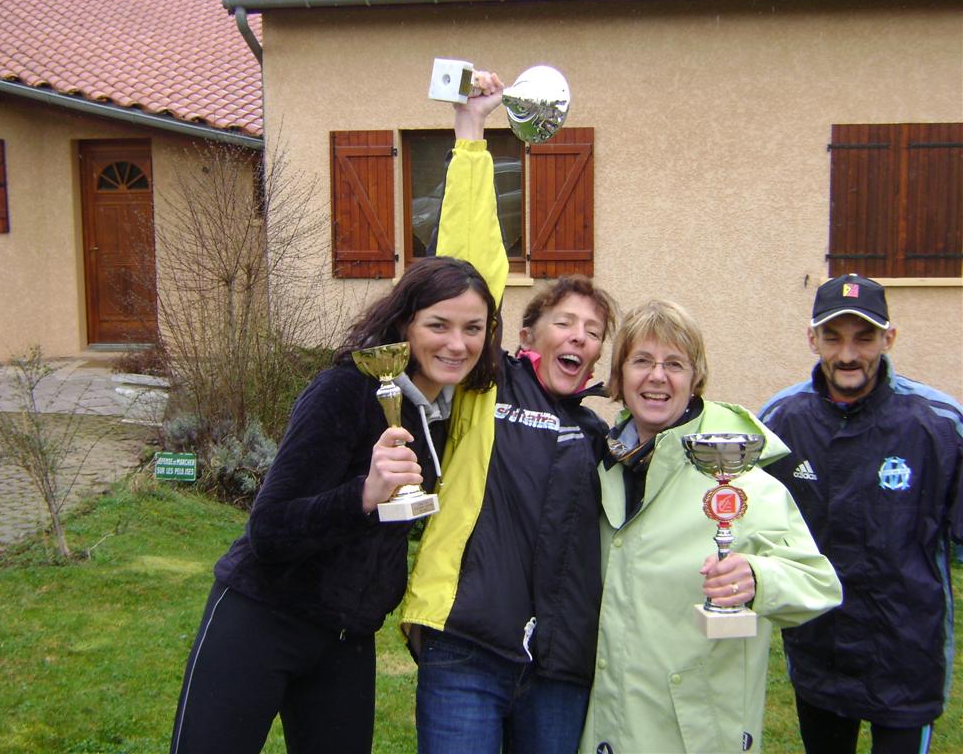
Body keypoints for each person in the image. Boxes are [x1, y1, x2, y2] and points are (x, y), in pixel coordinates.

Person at [169, 254, 502, 754]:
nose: (458, 344)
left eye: (473, 328)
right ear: (404, 324)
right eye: (439, 325)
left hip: (347, 638)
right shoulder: (345, 390)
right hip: (263, 616)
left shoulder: (447, 414)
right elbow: (270, 528)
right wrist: (363, 495)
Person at [401, 72, 618, 754]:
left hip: (559, 668)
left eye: (593, 330)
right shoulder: (487, 388)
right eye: (565, 322)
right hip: (466, 647)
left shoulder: (600, 435)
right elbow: (467, 271)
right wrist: (470, 137)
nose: (579, 337)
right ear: (526, 338)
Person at [581, 298, 843, 754]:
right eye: (641, 361)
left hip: (694, 735)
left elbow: (819, 585)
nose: (657, 377)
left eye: (675, 364)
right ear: (619, 377)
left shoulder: (741, 480)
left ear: (695, 378)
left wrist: (757, 579)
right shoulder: (604, 467)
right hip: (607, 722)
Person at [759, 273, 963, 754]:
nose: (848, 355)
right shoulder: (780, 422)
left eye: (864, 337)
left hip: (908, 656)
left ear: (889, 338)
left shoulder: (939, 425)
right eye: (833, 337)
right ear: (812, 338)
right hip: (819, 653)